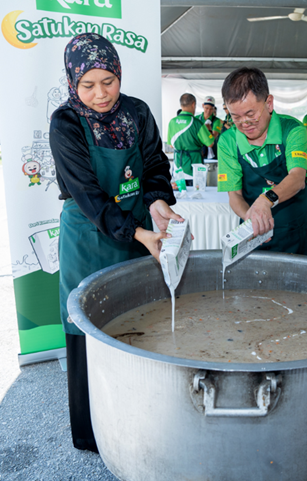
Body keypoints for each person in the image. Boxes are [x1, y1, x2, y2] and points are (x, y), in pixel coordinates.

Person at [50, 32, 182, 452]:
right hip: (90, 233)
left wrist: (158, 202)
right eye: (87, 85)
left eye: (108, 81)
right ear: (73, 82)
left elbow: (156, 164)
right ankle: (93, 432)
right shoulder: (66, 122)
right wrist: (139, 232)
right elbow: (88, 195)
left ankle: (140, 417)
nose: (100, 94)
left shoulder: (138, 113)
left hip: (137, 232)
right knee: (87, 328)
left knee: (138, 320)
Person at [217, 67, 307, 256]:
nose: (244, 123)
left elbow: (297, 178)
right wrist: (251, 218)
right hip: (253, 232)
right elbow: (235, 195)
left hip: (295, 231)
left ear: (268, 103)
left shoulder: (292, 130)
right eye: (235, 117)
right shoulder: (228, 141)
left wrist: (265, 201)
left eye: (250, 114)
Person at [167, 93, 214, 188]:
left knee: (181, 199)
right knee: (197, 198)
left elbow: (171, 145)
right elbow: (210, 143)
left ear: (181, 105)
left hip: (178, 167)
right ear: (193, 104)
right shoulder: (197, 123)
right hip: (195, 168)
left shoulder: (172, 122)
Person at [196, 95, 224, 159]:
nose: (208, 111)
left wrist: (209, 130)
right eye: (206, 108)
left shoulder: (217, 121)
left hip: (213, 154)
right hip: (198, 153)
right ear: (203, 105)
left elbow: (212, 138)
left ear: (214, 108)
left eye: (211, 109)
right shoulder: (196, 119)